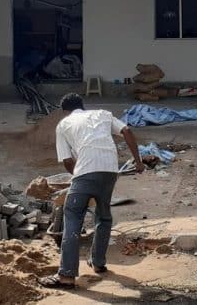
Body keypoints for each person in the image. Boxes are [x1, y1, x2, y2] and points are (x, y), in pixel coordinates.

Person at [39, 93, 144, 289]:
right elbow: (127, 131)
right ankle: (98, 263)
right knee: (103, 217)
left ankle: (67, 276)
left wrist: (77, 176)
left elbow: (67, 161)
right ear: (82, 106)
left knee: (72, 218)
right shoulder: (102, 114)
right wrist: (138, 162)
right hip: (109, 171)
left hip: (85, 174)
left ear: (65, 111)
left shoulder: (63, 125)